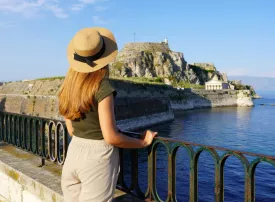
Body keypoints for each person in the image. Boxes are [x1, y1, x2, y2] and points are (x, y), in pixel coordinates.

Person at [58, 27, 158, 202]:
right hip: (97, 158)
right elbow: (110, 136)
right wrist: (142, 142)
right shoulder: (102, 88)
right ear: (104, 58)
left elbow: (71, 129)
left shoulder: (68, 87)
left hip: (73, 152)